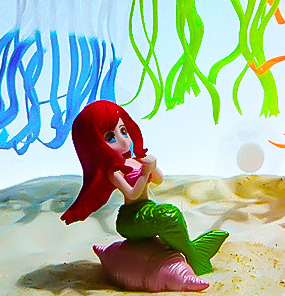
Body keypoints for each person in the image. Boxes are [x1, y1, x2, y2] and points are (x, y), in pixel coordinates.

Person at [61, 100, 227, 276]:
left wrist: (152, 166)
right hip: (130, 218)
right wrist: (145, 172)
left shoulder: (135, 161)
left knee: (171, 215)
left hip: (147, 208)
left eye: (123, 131)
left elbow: (159, 180)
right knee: (169, 215)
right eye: (111, 137)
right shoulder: (114, 172)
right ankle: (193, 255)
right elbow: (132, 194)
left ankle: (191, 253)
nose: (123, 139)